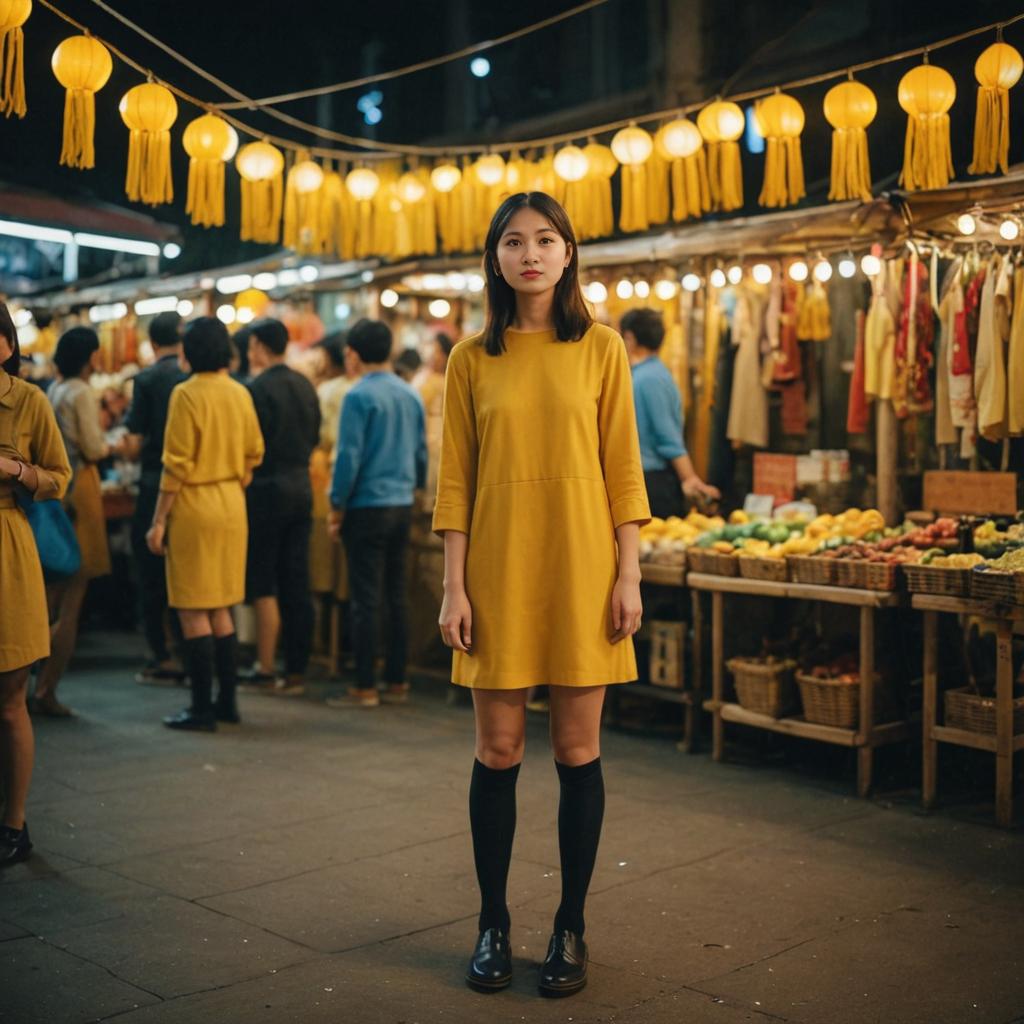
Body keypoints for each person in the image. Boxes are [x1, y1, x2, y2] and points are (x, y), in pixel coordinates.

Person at [435, 192, 650, 998]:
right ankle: (493, 921)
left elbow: (624, 471)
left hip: (583, 566)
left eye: (547, 239)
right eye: (515, 241)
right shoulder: (468, 359)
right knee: (497, 752)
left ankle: (572, 925)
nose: (531, 253)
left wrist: (628, 572)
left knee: (576, 751)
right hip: (496, 570)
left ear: (568, 254)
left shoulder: (599, 348)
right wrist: (454, 589)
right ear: (495, 257)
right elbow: (455, 483)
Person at [146, 318, 264, 732]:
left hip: (194, 506)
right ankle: (226, 703)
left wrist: (158, 520)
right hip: (232, 503)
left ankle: (200, 709)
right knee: (221, 606)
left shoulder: (186, 394)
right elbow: (254, 453)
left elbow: (175, 465)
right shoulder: (240, 392)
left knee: (192, 608)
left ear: (190, 350)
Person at [0, 303, 71, 865]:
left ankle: (14, 824)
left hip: (8, 546)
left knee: (9, 698)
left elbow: (58, 478)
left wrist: (17, 471)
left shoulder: (29, 400)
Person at [327, 319, 426, 709]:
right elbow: (421, 452)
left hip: (366, 505)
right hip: (401, 503)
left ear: (353, 353)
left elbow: (348, 457)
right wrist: (414, 489)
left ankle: (365, 685)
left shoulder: (357, 396)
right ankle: (397, 680)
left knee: (365, 598)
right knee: (396, 594)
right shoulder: (410, 394)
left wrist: (337, 504)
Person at [34, 327, 115, 716]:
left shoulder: (54, 389)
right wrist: (119, 443)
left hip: (55, 494)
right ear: (89, 356)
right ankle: (47, 688)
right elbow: (95, 446)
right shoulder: (82, 393)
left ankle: (29, 680)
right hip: (81, 487)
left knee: (49, 594)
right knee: (73, 597)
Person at [242, 318, 321, 694]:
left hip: (266, 489)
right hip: (301, 487)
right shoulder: (305, 385)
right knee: (296, 579)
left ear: (258, 346)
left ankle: (266, 665)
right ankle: (297, 670)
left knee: (263, 579)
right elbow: (316, 436)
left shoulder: (257, 389)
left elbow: (251, 446)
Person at [122, 312, 187, 684]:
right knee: (184, 571)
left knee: (150, 572)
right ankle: (188, 648)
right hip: (190, 489)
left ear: (152, 342)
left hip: (153, 483)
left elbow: (134, 439)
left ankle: (161, 656)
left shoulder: (146, 379)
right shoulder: (191, 375)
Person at [620, 308, 720, 519]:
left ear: (630, 338)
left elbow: (667, 437)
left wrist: (689, 478)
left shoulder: (647, 379)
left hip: (654, 482)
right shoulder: (653, 374)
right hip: (650, 479)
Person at [414, 331, 454, 511]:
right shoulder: (423, 377)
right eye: (432, 350)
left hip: (439, 434)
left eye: (438, 351)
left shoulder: (448, 380)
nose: (433, 355)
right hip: (422, 431)